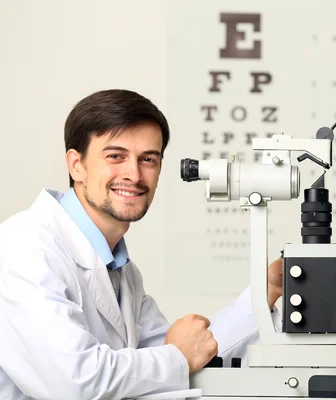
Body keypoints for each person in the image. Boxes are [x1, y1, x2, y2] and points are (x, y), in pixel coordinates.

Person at [0, 89, 284, 400]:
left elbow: (190, 354)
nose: (134, 174)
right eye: (115, 156)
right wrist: (176, 357)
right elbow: (73, 381)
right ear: (76, 165)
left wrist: (266, 291)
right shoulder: (24, 248)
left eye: (148, 159)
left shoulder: (122, 270)